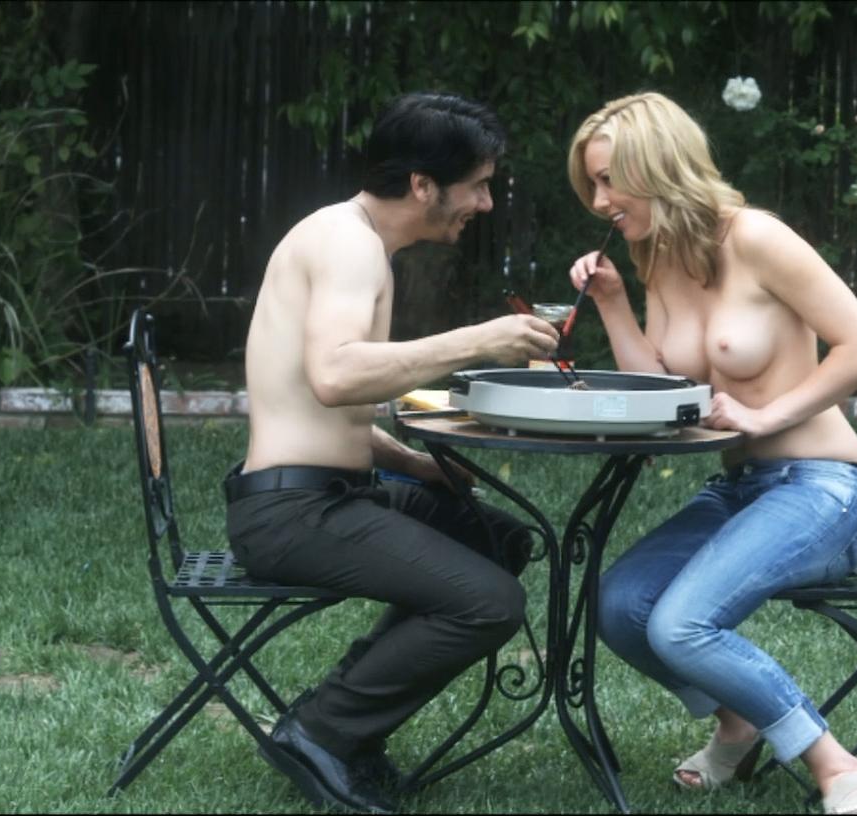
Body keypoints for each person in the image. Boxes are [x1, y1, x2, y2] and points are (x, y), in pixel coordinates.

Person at [562, 92, 857, 815]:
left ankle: (842, 771)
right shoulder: (659, 255)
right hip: (741, 487)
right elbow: (665, 387)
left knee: (679, 625)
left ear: (657, 166)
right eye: (592, 184)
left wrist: (766, 414)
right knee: (620, 605)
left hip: (825, 489)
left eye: (608, 181)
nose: (599, 201)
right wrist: (613, 303)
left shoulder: (757, 238)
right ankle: (739, 722)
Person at [227, 91, 559, 815]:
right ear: (422, 184)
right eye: (478, 185)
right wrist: (479, 340)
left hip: (323, 493)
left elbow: (321, 406)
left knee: (498, 540)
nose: (486, 203)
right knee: (490, 603)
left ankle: (350, 721)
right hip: (293, 513)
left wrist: (415, 464)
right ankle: (323, 730)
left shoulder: (354, 240)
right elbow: (336, 375)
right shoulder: (347, 244)